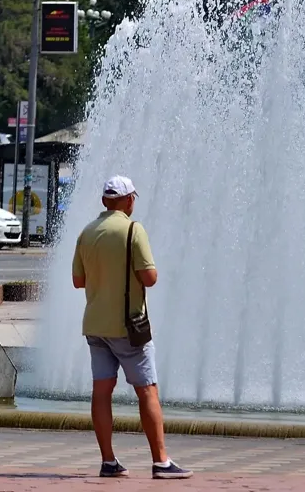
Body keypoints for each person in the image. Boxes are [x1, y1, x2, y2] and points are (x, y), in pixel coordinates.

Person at [71, 175, 192, 480]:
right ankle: (161, 461)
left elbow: (78, 281)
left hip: (95, 325)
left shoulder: (86, 232)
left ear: (104, 201)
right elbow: (150, 277)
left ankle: (108, 461)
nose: (133, 202)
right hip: (128, 326)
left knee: (101, 390)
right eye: (132, 198)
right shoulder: (133, 231)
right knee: (147, 390)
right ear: (127, 201)